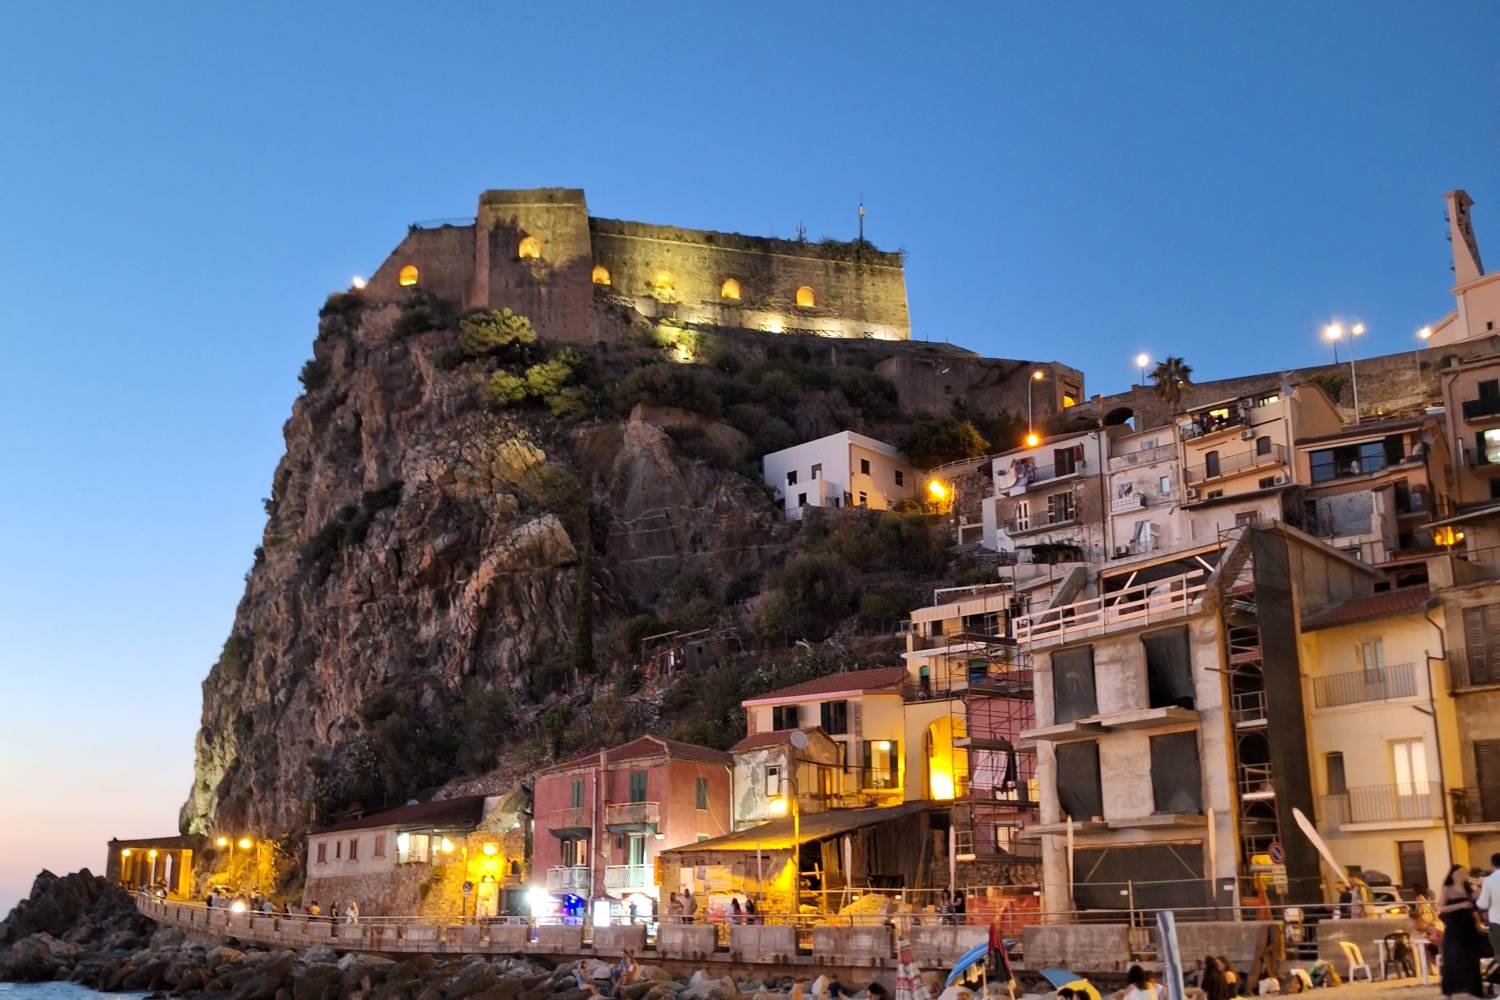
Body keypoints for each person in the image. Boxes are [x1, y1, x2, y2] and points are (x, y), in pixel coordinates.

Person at [1438, 863, 1484, 998]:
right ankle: (1449, 991)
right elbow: (1441, 907)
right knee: (1453, 958)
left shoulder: (1468, 888)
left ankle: (1473, 991)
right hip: (1454, 927)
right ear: (1453, 874)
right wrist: (1460, 905)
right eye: (1460, 873)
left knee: (1471, 958)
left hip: (1469, 926)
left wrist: (1481, 888)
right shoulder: (1447, 888)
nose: (1463, 875)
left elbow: (1474, 902)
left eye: (1465, 872)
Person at [1476, 852, 1500, 961]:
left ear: (1493, 864)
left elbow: (1483, 904)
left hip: (1496, 922)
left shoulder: (1488, 880)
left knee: (1499, 954)